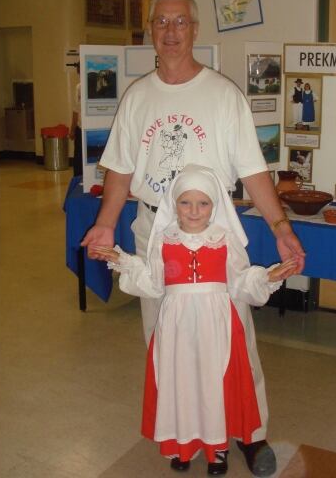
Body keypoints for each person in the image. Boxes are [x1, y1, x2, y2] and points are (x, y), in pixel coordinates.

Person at [81, 0, 305, 477]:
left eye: (180, 22)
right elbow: (118, 171)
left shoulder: (224, 95)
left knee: (235, 339)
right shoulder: (138, 97)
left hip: (216, 236)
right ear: (151, 33)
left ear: (195, 30)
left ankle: (250, 433)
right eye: (161, 22)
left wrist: (282, 227)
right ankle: (182, 429)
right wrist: (103, 224)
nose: (171, 32)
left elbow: (252, 172)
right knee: (165, 339)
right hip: (155, 234)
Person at [93, 165, 296, 475]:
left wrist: (268, 277)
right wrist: (121, 261)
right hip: (176, 327)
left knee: (213, 384)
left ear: (215, 206)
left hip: (216, 326)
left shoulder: (224, 239)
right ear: (174, 205)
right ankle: (183, 445)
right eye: (185, 203)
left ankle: (217, 449)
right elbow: (152, 282)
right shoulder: (164, 240)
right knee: (181, 382)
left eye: (203, 203)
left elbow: (240, 281)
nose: (194, 211)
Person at [69, 62, 83, 176]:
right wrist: (73, 129)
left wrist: (72, 129)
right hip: (80, 127)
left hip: (85, 128)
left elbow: (75, 110)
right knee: (78, 156)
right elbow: (76, 109)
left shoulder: (81, 87)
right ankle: (78, 179)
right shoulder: (79, 87)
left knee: (81, 156)